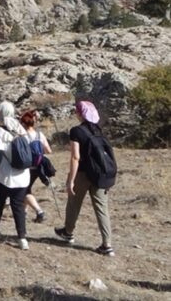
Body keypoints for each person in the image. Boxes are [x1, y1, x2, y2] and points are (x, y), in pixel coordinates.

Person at [55, 101, 115, 257]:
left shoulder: (76, 131)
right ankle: (107, 245)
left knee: (74, 203)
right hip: (100, 175)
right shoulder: (99, 130)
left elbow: (75, 157)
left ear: (80, 113)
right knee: (102, 209)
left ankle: (68, 232)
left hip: (83, 174)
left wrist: (71, 180)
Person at [0, 101, 30, 250]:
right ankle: (22, 238)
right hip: (22, 174)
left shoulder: (0, 129)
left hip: (5, 175)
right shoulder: (20, 127)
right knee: (18, 207)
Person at [20, 110, 52, 223]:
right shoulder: (40, 134)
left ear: (23, 124)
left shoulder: (23, 136)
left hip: (27, 168)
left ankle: (39, 212)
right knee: (26, 189)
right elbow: (48, 150)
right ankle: (23, 213)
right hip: (38, 167)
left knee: (24, 191)